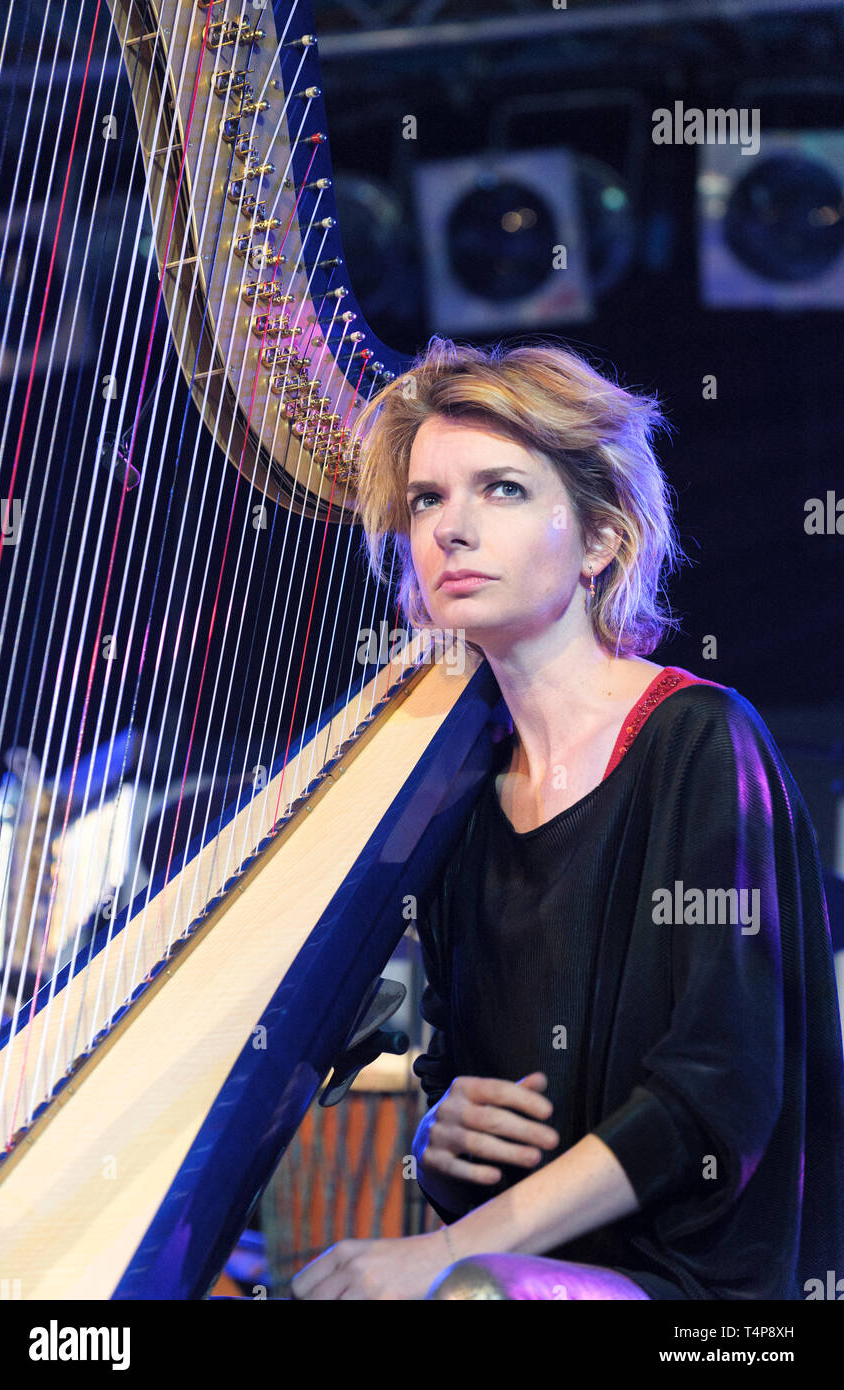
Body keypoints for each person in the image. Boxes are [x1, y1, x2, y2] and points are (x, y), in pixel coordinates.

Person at [289, 335, 844, 1301]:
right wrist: (441, 1132)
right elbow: (465, 1090)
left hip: (700, 1295)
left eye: (501, 489)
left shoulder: (700, 741)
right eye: (427, 499)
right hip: (530, 1275)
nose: (450, 529)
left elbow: (715, 1095)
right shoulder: (454, 789)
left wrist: (440, 1256)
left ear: (600, 540)